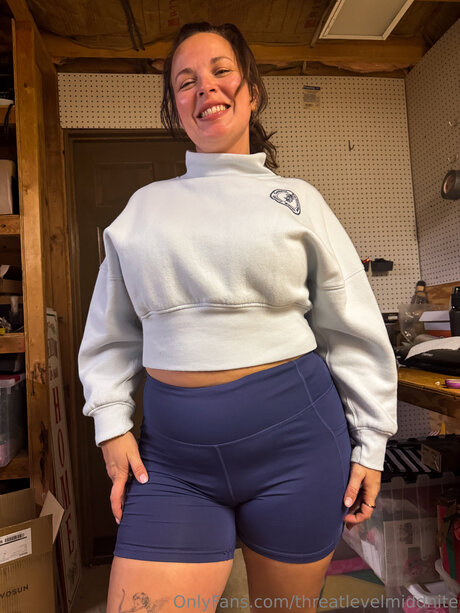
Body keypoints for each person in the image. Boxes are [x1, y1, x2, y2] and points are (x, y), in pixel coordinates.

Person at [78, 21, 398, 613]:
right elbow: (110, 334)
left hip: (299, 451)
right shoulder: (143, 209)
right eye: (186, 81)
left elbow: (350, 329)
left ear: (251, 89)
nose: (205, 87)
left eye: (221, 71)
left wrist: (371, 442)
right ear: (176, 108)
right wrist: (111, 424)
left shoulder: (299, 200)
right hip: (172, 463)